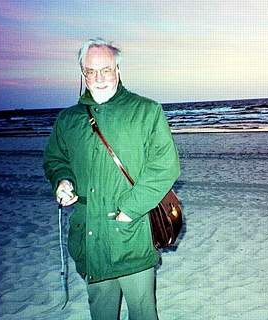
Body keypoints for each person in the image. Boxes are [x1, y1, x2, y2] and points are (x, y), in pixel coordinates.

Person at [43, 37, 180, 320]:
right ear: (82, 74)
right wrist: (63, 181)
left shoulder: (146, 111)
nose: (99, 77)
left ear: (118, 69)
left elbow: (165, 167)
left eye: (106, 69)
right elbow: (56, 159)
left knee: (143, 313)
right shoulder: (68, 120)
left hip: (131, 234)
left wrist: (129, 211)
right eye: (91, 71)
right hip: (88, 235)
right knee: (101, 313)